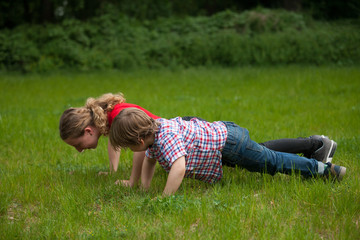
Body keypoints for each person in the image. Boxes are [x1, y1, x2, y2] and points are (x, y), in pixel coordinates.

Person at [59, 93, 337, 187]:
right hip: (201, 139)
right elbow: (129, 147)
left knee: (266, 159)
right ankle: (315, 145)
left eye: (76, 144)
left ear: (87, 131)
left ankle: (317, 152)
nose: (79, 150)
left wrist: (141, 187)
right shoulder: (110, 118)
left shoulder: (121, 117)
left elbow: (142, 151)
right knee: (261, 154)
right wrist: (119, 174)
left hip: (198, 138)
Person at [109, 108, 346, 196]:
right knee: (264, 154)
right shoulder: (154, 133)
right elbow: (150, 161)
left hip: (230, 144)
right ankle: (314, 145)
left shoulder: (166, 137)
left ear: (139, 139)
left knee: (271, 162)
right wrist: (144, 187)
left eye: (130, 146)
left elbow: (178, 167)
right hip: (225, 142)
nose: (132, 151)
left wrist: (165, 198)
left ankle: (324, 170)